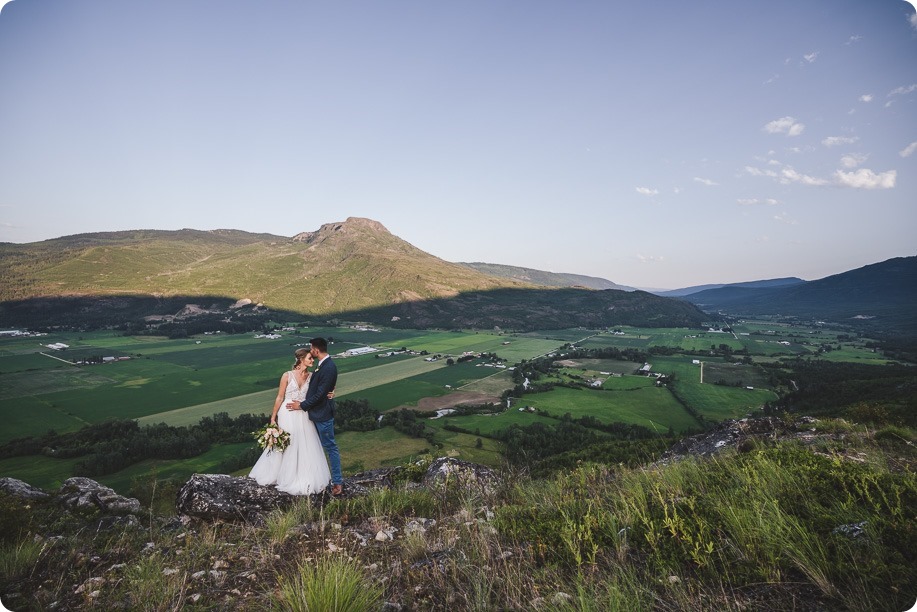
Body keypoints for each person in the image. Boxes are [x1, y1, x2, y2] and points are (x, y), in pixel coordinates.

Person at [249, 348, 331, 495]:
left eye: (313, 358)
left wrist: (331, 392)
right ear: (301, 359)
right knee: (287, 443)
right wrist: (273, 417)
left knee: (305, 444)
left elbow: (323, 390)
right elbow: (279, 397)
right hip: (286, 413)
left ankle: (301, 475)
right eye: (310, 358)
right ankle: (279, 474)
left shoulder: (312, 376)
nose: (313, 361)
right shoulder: (287, 376)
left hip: (303, 413)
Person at [287, 337, 343, 496]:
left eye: (311, 349)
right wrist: (330, 390)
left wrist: (302, 405)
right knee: (312, 448)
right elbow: (323, 388)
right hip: (316, 413)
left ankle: (337, 482)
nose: (310, 351)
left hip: (322, 414)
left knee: (330, 447)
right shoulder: (323, 365)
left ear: (316, 350)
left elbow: (320, 394)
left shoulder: (329, 367)